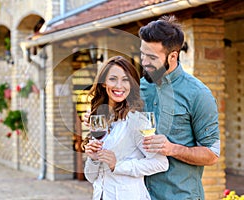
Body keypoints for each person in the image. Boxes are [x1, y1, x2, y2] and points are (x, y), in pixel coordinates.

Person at [139, 15, 220, 199]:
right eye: (142, 54)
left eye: (152, 57)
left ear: (173, 56)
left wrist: (172, 149)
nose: (144, 62)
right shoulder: (140, 87)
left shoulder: (198, 94)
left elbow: (212, 154)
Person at [82, 56, 169, 200]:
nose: (119, 85)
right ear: (103, 83)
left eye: (125, 80)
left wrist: (117, 165)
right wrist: (93, 159)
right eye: (113, 79)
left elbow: (160, 163)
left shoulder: (136, 121)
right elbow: (92, 178)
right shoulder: (99, 121)